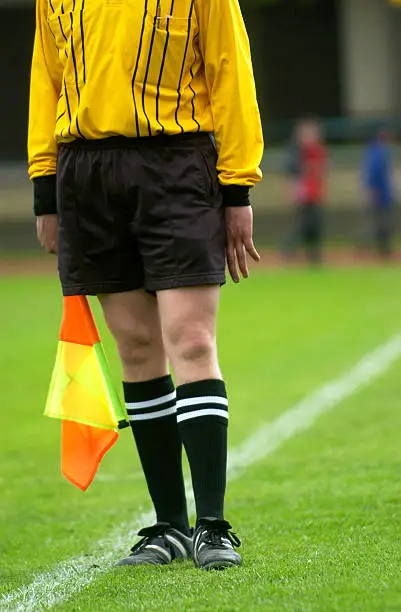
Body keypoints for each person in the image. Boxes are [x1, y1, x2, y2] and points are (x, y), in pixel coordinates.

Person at [28, 0, 263, 570]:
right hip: (86, 171)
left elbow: (232, 69)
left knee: (190, 339)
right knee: (136, 348)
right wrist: (45, 184)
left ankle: (213, 525)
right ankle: (170, 526)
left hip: (176, 163)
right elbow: (47, 76)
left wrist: (237, 188)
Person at [281, 117, 327, 264]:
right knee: (305, 225)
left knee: (314, 225)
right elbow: (293, 175)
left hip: (314, 194)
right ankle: (290, 248)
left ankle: (313, 254)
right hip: (305, 195)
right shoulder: (297, 152)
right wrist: (292, 193)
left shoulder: (316, 150)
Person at [361, 127, 396, 257]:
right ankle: (383, 249)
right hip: (381, 193)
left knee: (380, 221)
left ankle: (382, 247)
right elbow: (375, 173)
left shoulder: (375, 151)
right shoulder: (379, 151)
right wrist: (373, 190)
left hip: (381, 191)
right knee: (382, 221)